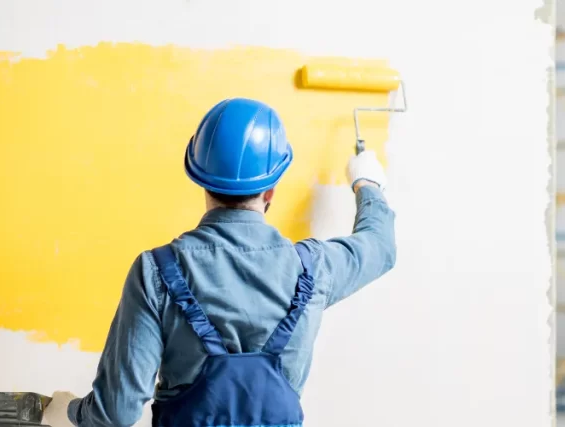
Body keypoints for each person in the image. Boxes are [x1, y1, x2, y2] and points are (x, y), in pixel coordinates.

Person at [41, 97, 397, 427]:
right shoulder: (315, 268)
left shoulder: (155, 272)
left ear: (200, 179)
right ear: (270, 190)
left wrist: (68, 410)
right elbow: (380, 247)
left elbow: (115, 412)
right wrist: (367, 181)